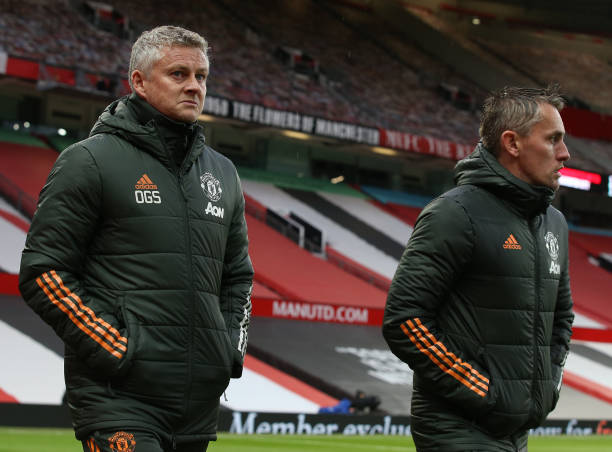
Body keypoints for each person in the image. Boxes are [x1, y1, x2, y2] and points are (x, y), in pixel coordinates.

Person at [19, 25, 254, 452]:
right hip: (119, 399)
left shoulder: (223, 174)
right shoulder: (89, 160)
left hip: (196, 403)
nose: (193, 87)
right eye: (178, 74)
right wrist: (118, 348)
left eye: (200, 76)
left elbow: (237, 276)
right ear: (139, 82)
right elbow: (44, 272)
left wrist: (228, 350)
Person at [382, 85, 574, 452]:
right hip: (457, 431)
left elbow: (561, 317)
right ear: (512, 143)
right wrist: (484, 391)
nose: (565, 154)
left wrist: (548, 385)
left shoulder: (554, 224)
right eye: (553, 140)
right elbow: (404, 319)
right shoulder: (455, 214)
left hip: (517, 433)